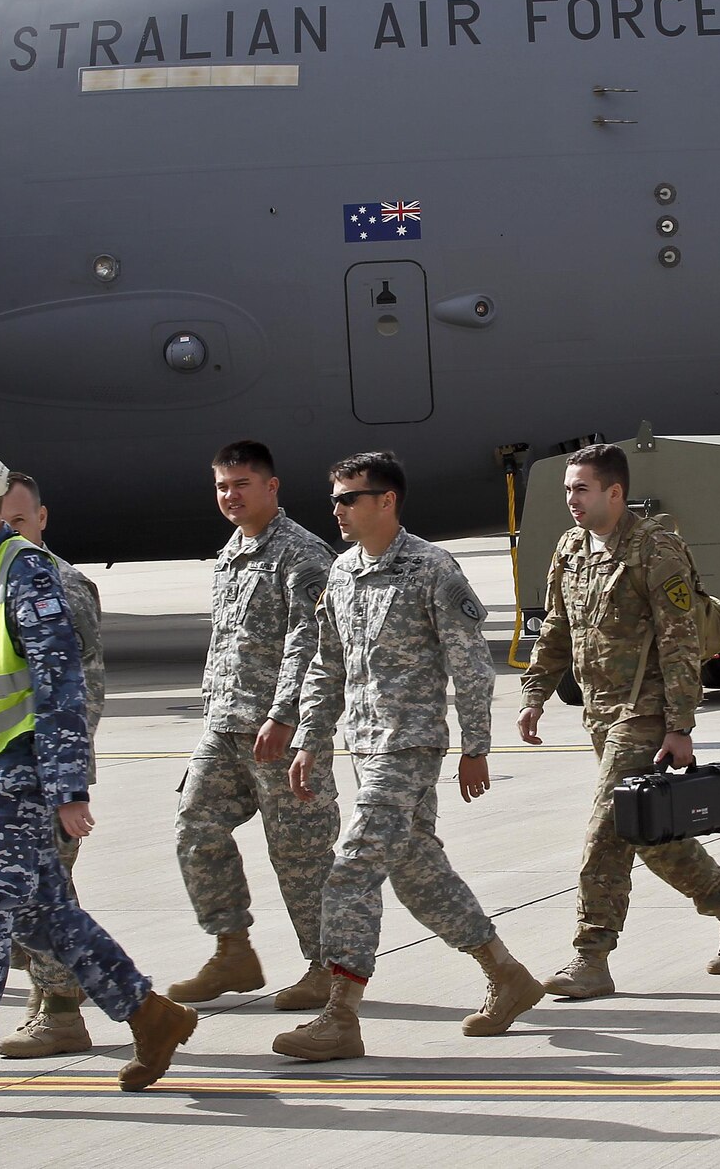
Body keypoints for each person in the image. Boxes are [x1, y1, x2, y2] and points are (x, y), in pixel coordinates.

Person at [0, 449, 196, 1118]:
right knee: (43, 915)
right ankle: (150, 1013)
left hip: (17, 776)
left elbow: (62, 684)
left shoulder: (27, 577)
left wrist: (68, 788)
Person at [274, 451, 542, 1061]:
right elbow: (328, 665)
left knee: (352, 866)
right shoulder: (341, 573)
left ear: (386, 501)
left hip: (411, 744)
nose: (337, 509)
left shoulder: (430, 568)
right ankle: (506, 975)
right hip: (364, 746)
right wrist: (312, 740)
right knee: (418, 874)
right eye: (335, 498)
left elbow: (470, 663)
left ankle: (341, 1015)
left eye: (349, 498)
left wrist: (476, 745)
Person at [516, 443, 720, 999]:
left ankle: (591, 956)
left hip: (647, 710)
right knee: (648, 833)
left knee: (604, 835)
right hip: (601, 714)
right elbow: (557, 627)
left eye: (581, 489)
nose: (571, 500)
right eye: (566, 490)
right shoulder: (571, 547)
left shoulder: (655, 547)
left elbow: (680, 640)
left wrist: (680, 725)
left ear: (615, 492)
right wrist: (534, 695)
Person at [168, 442, 340, 1012]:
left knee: (300, 853)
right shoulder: (231, 552)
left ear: (272, 487)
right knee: (196, 826)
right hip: (225, 724)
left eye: (242, 484)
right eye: (221, 486)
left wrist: (284, 714)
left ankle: (328, 969)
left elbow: (309, 642)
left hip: (278, 730)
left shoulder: (302, 555)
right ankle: (232, 948)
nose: (230, 495)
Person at [0, 471, 108, 1059]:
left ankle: (63, 1009)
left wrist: (62, 777)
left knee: (33, 892)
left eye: (18, 521)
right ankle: (80, 996)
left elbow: (79, 686)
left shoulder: (58, 582)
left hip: (38, 772)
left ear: (40, 519)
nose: (7, 530)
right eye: (1, 519)